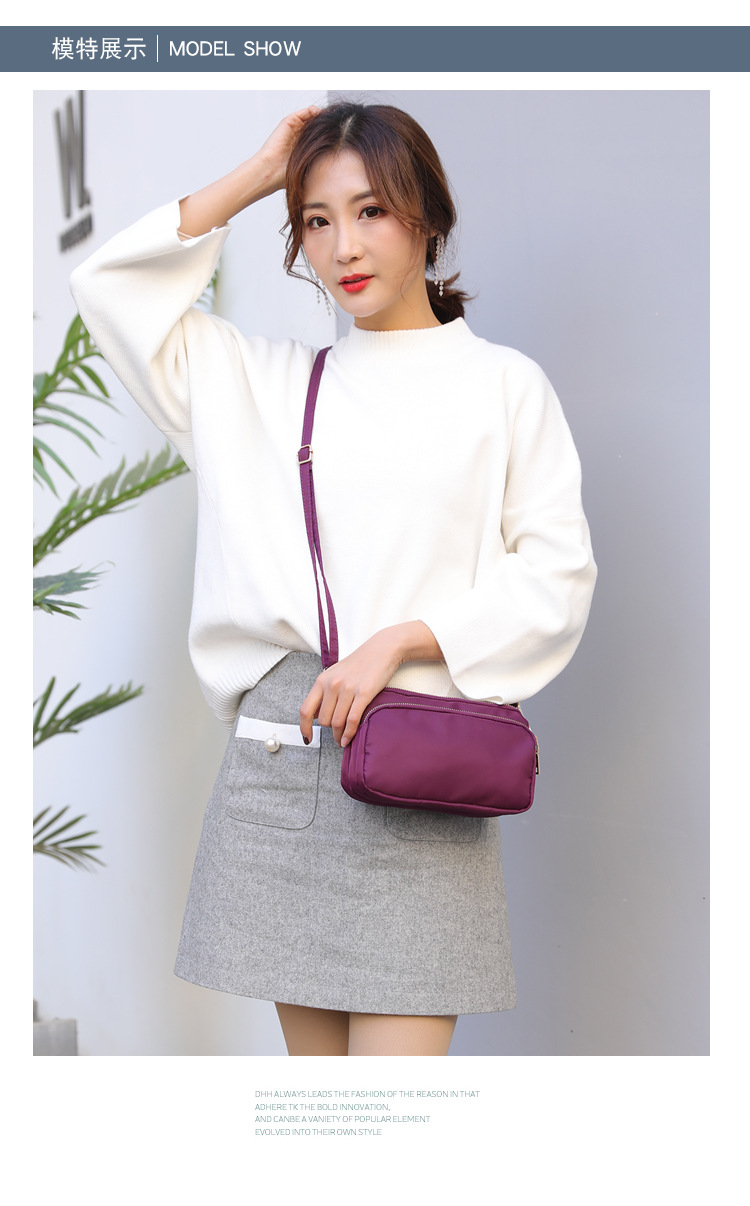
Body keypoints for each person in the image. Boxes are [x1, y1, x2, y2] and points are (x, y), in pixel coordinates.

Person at [70, 100, 597, 1057]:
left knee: (391, 1124)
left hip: (418, 769)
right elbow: (108, 289)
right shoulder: (258, 385)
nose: (343, 247)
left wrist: (400, 640)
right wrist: (259, 173)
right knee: (324, 1120)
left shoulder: (504, 388)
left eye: (371, 211)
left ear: (427, 217)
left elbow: (557, 578)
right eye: (316, 220)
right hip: (285, 761)